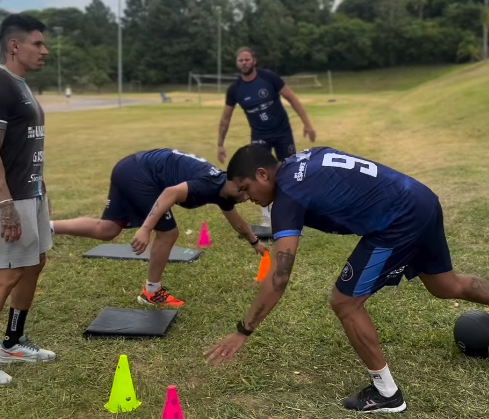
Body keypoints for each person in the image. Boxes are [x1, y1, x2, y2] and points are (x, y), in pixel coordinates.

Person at [205, 144, 489, 413]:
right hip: (421, 199)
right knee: (445, 285)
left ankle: (387, 394)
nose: (245, 198)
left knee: (345, 302)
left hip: (400, 218)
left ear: (262, 174)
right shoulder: (302, 159)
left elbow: (279, 277)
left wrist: (244, 330)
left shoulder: (288, 195)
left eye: (245, 189)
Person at [51, 148, 268, 308]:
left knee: (107, 230)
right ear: (236, 181)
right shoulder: (209, 184)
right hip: (139, 173)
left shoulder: (226, 191)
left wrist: (254, 242)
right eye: (246, 191)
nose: (248, 197)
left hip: (130, 168)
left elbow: (236, 220)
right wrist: (146, 229)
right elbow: (170, 193)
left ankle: (47, 227)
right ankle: (151, 292)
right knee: (168, 232)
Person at [0, 14, 56, 387]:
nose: (44, 51)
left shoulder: (21, 85)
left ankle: (13, 342)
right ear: (14, 45)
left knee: (34, 263)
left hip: (31, 192)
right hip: (11, 197)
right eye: (37, 44)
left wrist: (41, 184)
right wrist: (5, 205)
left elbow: (25, 144)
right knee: (9, 272)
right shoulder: (2, 85)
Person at [217, 46, 316, 227]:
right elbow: (225, 119)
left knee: (291, 169)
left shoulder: (269, 78)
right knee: (258, 173)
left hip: (282, 132)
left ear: (254, 61)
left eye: (247, 59)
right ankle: (266, 216)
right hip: (260, 135)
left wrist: (307, 125)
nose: (244, 63)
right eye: (240, 60)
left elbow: (293, 99)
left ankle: (297, 211)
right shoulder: (235, 89)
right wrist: (220, 144)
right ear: (237, 64)